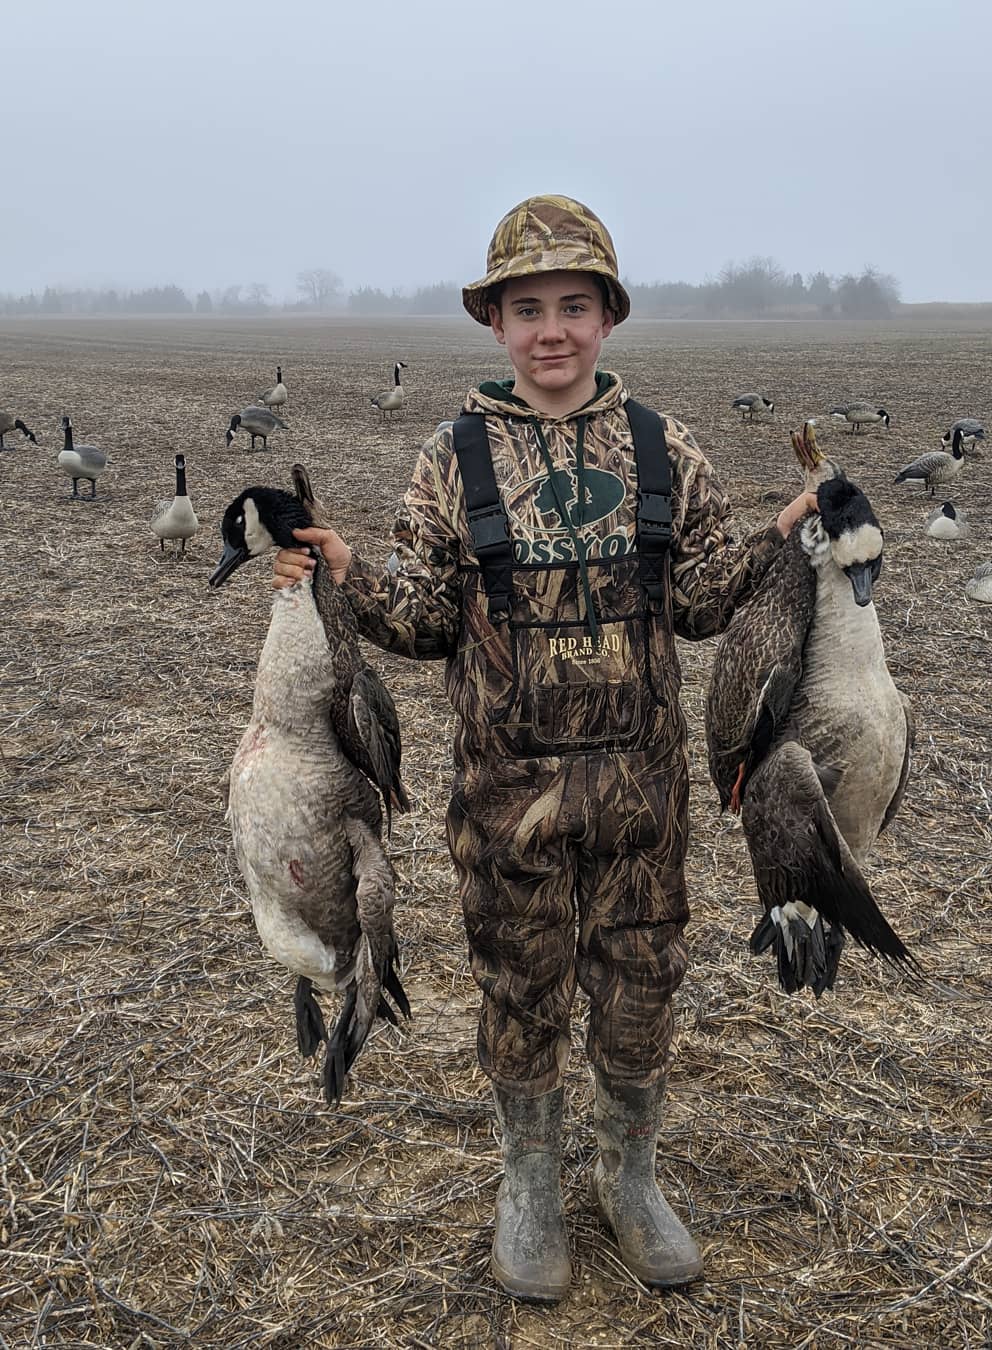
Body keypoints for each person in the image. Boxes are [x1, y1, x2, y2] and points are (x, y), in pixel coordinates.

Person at [272, 195, 817, 1302]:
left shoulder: (664, 447)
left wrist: (782, 535)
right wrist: (344, 574)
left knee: (642, 980)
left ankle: (628, 1175)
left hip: (642, 792)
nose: (552, 330)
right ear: (495, 322)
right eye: (528, 309)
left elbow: (702, 604)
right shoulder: (453, 455)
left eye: (574, 305)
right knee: (519, 983)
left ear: (609, 316)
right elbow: (429, 618)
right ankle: (528, 1184)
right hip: (504, 791)